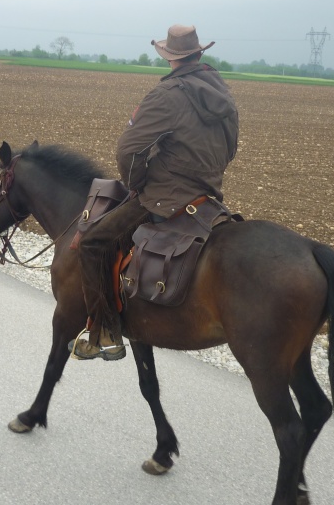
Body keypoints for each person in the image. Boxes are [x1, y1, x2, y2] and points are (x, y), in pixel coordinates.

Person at [70, 24, 239, 360]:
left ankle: (105, 331)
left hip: (166, 197)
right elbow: (230, 150)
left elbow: (128, 150)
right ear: (198, 53)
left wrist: (137, 183)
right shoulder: (222, 92)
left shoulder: (166, 94)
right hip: (208, 196)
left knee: (91, 243)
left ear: (169, 57)